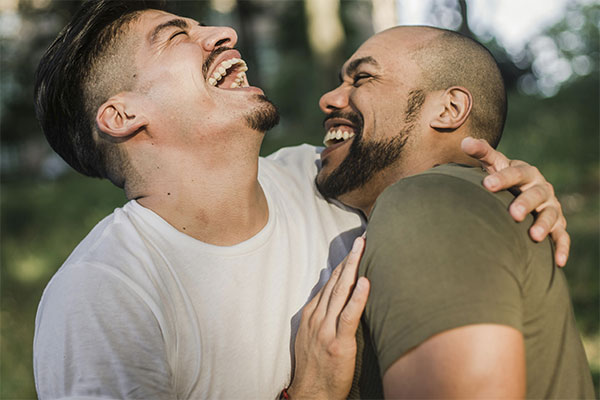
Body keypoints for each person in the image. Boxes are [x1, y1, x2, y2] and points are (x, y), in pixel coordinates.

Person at [32, 1, 570, 398]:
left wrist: (504, 183)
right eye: (175, 36)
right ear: (123, 116)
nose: (223, 32)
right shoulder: (104, 294)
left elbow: (422, 158)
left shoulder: (325, 177)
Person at [308, 26, 593, 398]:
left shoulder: (425, 203)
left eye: (362, 78)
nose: (329, 98)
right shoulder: (473, 202)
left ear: (449, 109)